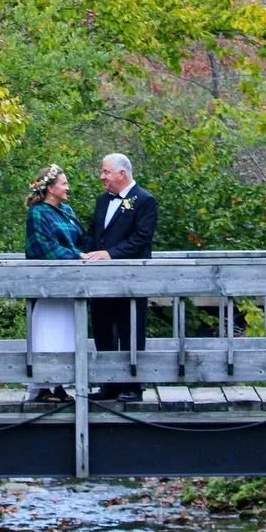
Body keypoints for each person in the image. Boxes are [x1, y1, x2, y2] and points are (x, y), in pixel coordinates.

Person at [81, 153, 157, 402]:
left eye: (105, 172)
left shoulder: (145, 201)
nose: (101, 176)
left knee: (130, 329)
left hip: (131, 278)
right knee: (102, 328)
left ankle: (133, 385)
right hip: (100, 279)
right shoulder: (103, 200)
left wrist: (110, 254)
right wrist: (87, 253)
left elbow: (141, 238)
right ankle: (108, 384)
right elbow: (94, 233)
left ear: (122, 174)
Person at [24, 164, 83, 403]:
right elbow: (43, 246)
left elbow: (81, 238)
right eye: (63, 183)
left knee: (66, 333)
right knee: (47, 332)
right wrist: (77, 256)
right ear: (50, 188)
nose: (67, 187)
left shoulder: (67, 210)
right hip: (47, 285)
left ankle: (59, 383)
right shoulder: (37, 213)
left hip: (70, 284)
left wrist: (88, 253)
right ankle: (43, 386)